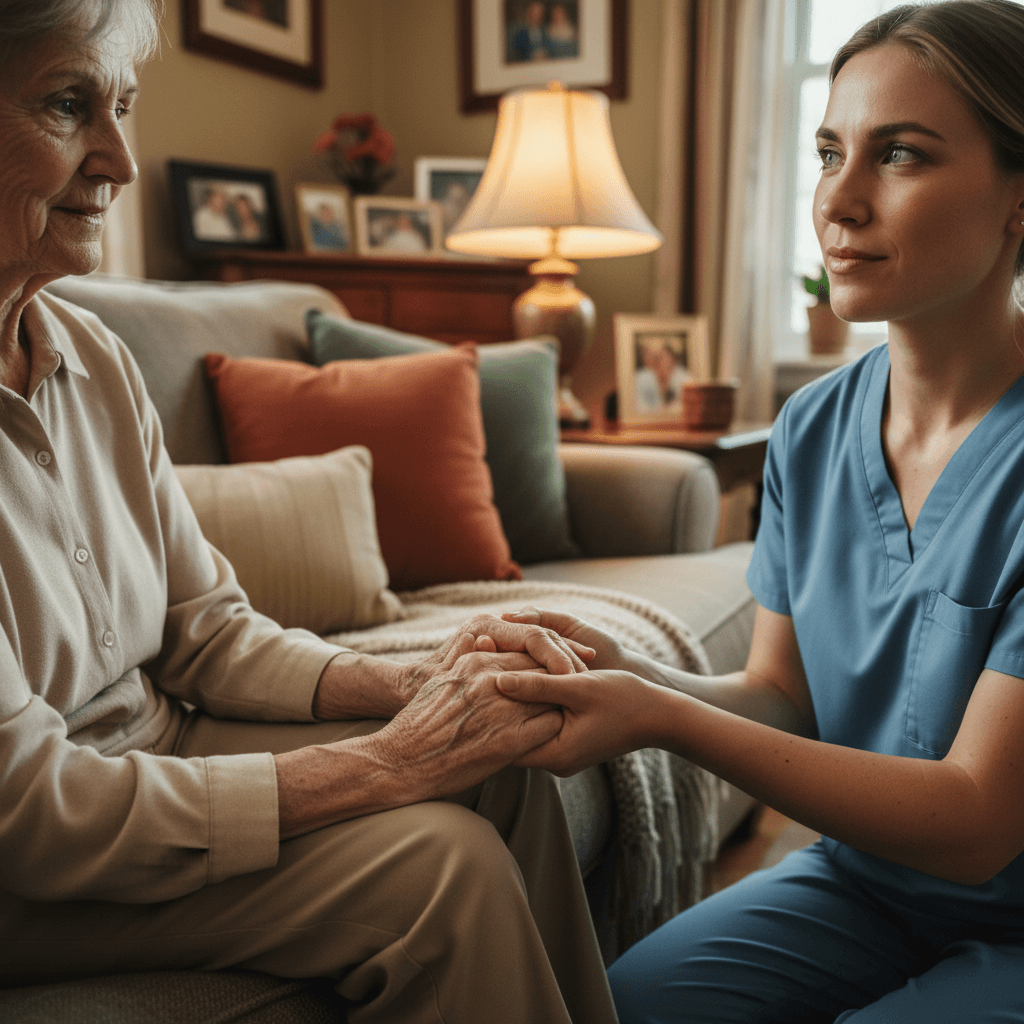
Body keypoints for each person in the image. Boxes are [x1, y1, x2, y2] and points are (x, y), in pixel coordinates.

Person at [0, 2, 621, 1021]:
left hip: (158, 750)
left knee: (508, 765)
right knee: (440, 867)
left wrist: (412, 679)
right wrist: (386, 760)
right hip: (32, 862)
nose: (119, 160)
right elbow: (33, 811)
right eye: (69, 106)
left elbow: (208, 634)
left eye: (123, 109)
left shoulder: (92, 356)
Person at [495, 2, 1024, 1021]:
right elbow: (781, 694)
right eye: (830, 152)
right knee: (630, 1004)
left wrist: (658, 714)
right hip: (863, 885)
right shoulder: (811, 427)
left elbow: (974, 821)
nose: (840, 200)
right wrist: (628, 673)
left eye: (900, 156)